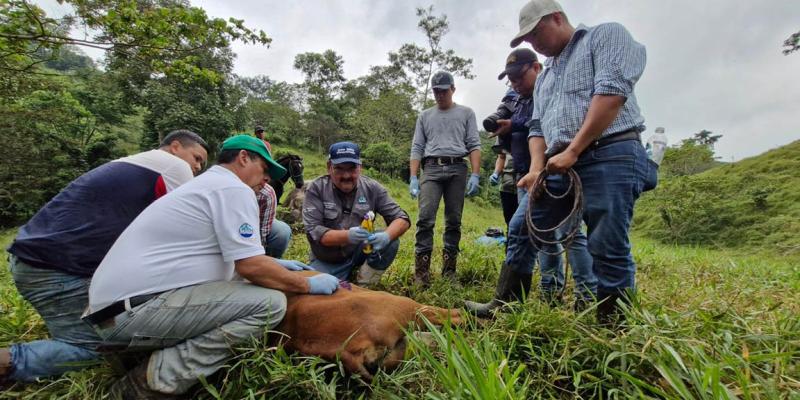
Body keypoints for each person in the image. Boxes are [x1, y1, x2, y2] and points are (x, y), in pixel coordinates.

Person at [83, 135, 340, 397]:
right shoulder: (233, 189)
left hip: (112, 310)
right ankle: (156, 380)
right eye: (264, 169)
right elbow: (250, 266)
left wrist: (273, 262)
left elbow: (225, 256)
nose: (266, 179)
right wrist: (306, 283)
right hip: (134, 311)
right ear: (243, 158)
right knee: (270, 305)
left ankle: (138, 355)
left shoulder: (209, 184)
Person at [492, 0, 654, 326]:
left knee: (605, 244)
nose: (534, 44)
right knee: (522, 227)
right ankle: (505, 307)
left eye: (537, 33)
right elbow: (537, 127)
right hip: (558, 165)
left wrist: (574, 149)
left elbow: (611, 93)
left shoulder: (604, 36)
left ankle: (613, 328)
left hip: (609, 153)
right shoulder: (548, 74)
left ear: (557, 17)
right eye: (528, 40)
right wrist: (537, 167)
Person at [1, 130, 209, 383]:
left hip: (37, 258)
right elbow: (194, 224)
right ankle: (10, 361)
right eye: (197, 158)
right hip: (55, 268)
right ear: (175, 146)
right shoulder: (173, 166)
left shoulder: (135, 163)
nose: (198, 167)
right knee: (97, 348)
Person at [465, 49, 596, 317]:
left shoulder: (549, 91)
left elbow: (548, 125)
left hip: (556, 169)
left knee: (571, 234)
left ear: (536, 68)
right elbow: (523, 132)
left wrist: (514, 124)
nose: (514, 83)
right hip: (529, 171)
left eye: (518, 77)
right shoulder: (518, 99)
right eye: (510, 79)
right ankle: (542, 293)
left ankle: (586, 298)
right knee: (535, 233)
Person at [409, 71, 481, 286]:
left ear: (453, 89)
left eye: (444, 90)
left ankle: (449, 272)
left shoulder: (466, 113)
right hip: (431, 168)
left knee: (453, 220)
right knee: (425, 218)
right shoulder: (425, 116)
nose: (440, 95)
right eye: (436, 91)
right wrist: (413, 176)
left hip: (457, 168)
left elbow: (474, 144)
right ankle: (422, 273)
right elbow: (417, 147)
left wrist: (476, 174)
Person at [303, 142, 411, 286]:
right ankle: (340, 274)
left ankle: (366, 282)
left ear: (360, 167)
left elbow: (402, 218)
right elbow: (314, 231)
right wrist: (348, 236)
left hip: (360, 250)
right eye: (339, 169)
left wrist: (386, 236)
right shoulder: (316, 189)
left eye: (352, 168)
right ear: (329, 167)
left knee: (392, 240)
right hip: (328, 258)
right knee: (315, 289)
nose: (346, 175)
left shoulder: (373, 188)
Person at [254, 138, 292, 258]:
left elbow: (262, 232)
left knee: (282, 231)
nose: (267, 179)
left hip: (254, 229)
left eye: (268, 172)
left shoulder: (265, 193)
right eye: (263, 170)